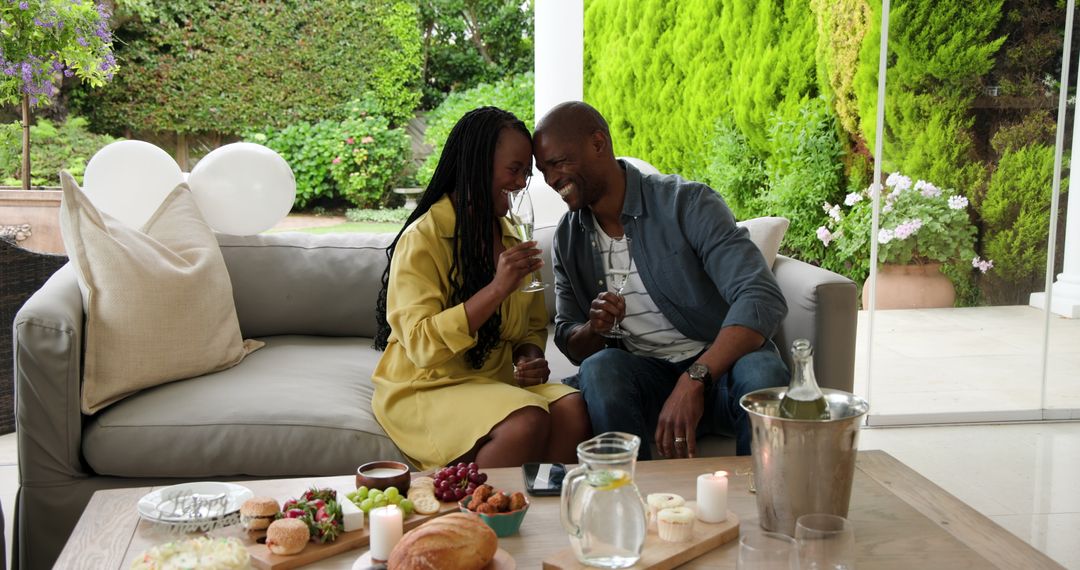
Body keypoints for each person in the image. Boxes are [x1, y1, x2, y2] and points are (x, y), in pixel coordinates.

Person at [533, 101, 788, 459]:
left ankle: (763, 502)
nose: (552, 179)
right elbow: (569, 338)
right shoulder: (568, 238)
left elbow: (760, 297)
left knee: (763, 369)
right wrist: (594, 329)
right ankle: (629, 501)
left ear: (597, 144)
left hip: (721, 372)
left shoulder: (687, 203)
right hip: (647, 382)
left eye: (558, 163)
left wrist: (695, 378)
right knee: (600, 369)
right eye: (544, 171)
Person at [372, 106, 590, 470]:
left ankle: (541, 518)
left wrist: (529, 357)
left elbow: (533, 325)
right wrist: (496, 288)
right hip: (428, 387)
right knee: (527, 419)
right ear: (476, 166)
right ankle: (476, 519)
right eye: (514, 169)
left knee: (572, 409)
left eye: (526, 172)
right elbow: (422, 345)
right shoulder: (424, 239)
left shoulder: (510, 236)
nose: (522, 182)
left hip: (493, 382)